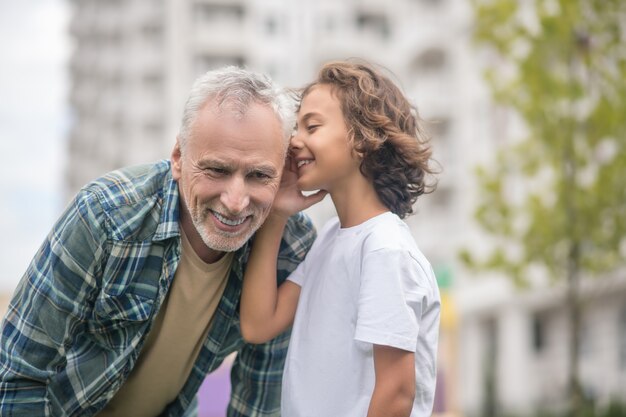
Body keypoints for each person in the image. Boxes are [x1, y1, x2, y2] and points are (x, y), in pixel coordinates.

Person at [0, 66, 318, 417]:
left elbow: (257, 407)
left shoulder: (289, 250)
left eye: (259, 175)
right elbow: (18, 374)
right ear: (179, 158)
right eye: (217, 170)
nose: (236, 200)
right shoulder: (107, 215)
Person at [240, 60, 441, 417]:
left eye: (311, 126)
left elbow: (396, 393)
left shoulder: (383, 247)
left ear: (364, 138)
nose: (294, 141)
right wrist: (276, 216)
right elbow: (258, 325)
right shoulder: (333, 237)